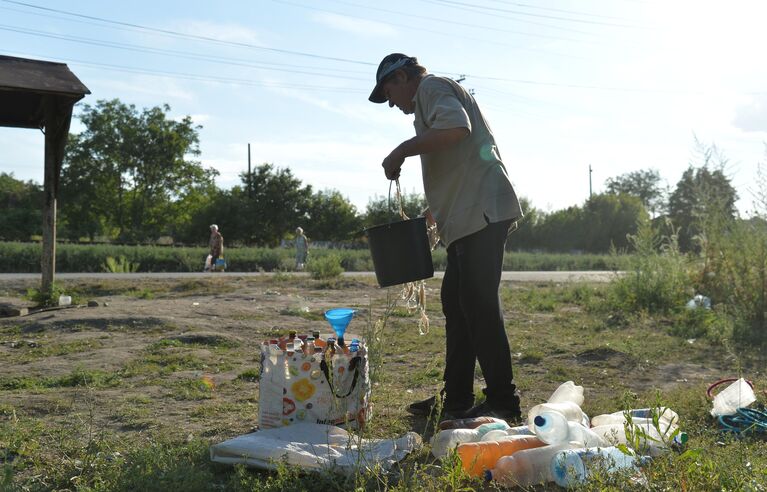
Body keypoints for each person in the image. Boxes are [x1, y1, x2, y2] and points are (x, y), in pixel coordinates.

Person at [369, 53, 524, 420]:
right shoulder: (427, 101)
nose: (392, 103)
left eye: (389, 91)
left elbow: (458, 130)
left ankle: (503, 400)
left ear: (404, 76)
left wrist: (401, 150)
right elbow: (459, 159)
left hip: (482, 214)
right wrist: (434, 212)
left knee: (478, 303)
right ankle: (455, 399)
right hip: (467, 217)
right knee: (457, 301)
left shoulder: (431, 87)